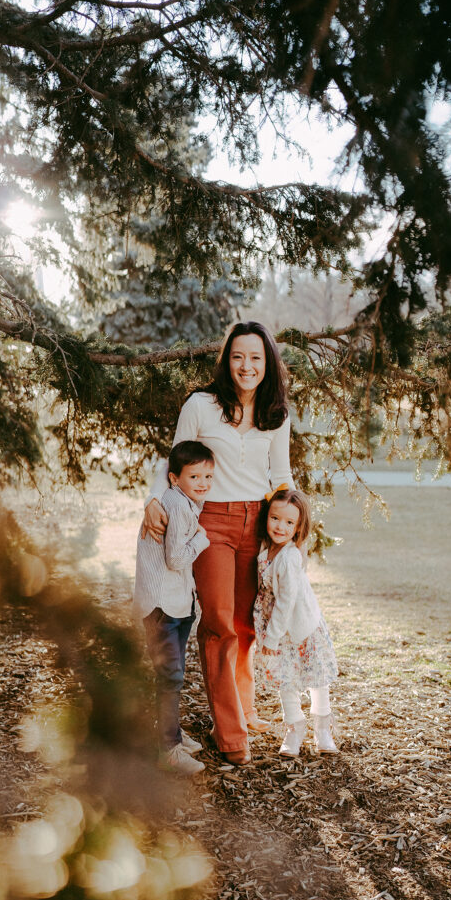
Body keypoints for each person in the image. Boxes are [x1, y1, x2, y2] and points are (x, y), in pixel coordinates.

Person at [142, 321, 293, 766]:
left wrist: (294, 528)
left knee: (246, 626)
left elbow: (281, 475)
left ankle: (242, 710)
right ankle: (231, 737)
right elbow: (175, 460)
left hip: (259, 522)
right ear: (227, 361)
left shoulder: (275, 413)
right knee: (221, 626)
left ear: (268, 364)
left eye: (256, 358)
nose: (246, 366)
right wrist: (154, 498)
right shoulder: (202, 405)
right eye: (238, 356)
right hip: (211, 524)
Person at [134, 440, 215, 775]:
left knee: (173, 675)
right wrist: (202, 537)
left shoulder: (185, 501)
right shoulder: (177, 505)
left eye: (208, 476)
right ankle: (168, 749)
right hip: (162, 606)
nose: (203, 483)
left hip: (177, 604)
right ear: (173, 478)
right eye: (194, 475)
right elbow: (177, 557)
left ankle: (173, 736)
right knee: (170, 677)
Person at [254, 487, 339, 759]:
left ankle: (322, 728)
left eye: (290, 523)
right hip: (278, 628)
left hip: (301, 627)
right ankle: (295, 728)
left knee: (317, 677)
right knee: (285, 679)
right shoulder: (265, 548)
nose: (280, 526)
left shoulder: (289, 557)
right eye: (275, 518)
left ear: (299, 527)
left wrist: (271, 638)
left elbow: (286, 603)